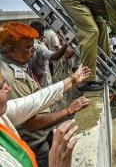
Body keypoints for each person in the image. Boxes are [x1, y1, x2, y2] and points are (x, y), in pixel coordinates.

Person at [0, 22, 90, 166]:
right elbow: (32, 123)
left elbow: (36, 100)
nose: (34, 49)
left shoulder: (17, 64)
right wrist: (68, 110)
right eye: (28, 47)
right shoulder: (10, 78)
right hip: (37, 145)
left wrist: (71, 80)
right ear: (11, 50)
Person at [0, 70, 88, 166]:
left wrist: (72, 79)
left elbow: (36, 100)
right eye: (0, 87)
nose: (8, 88)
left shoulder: (4, 113)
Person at [29, 21, 68, 87]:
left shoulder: (29, 44)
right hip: (43, 83)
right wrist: (66, 44)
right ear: (41, 33)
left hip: (35, 82)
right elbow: (55, 56)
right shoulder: (39, 47)